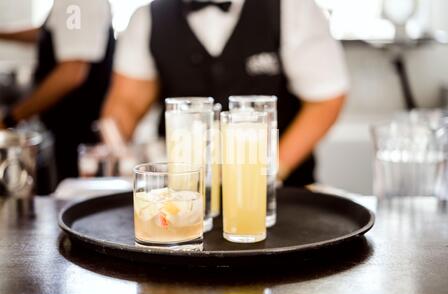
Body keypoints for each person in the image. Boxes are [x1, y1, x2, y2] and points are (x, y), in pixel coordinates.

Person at [101, 0, 349, 186]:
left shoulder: (292, 8)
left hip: (285, 194)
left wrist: (272, 171)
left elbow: (326, 99)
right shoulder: (148, 18)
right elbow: (127, 103)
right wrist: (116, 150)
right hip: (184, 194)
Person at [0, 0, 115, 183]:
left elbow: (72, 73)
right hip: (68, 130)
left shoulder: (79, 3)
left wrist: (11, 118)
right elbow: (58, 35)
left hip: (78, 134)